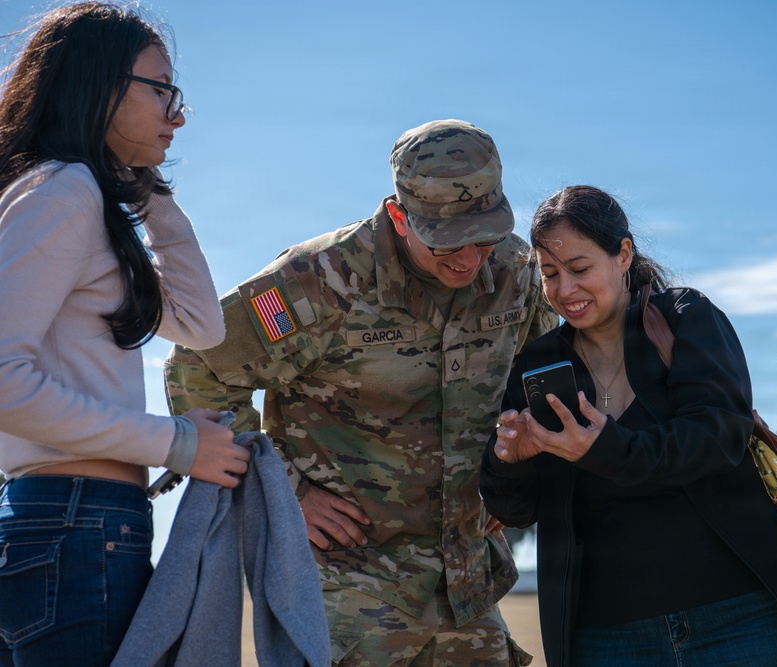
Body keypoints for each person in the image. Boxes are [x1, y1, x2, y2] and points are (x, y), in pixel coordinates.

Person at [163, 119, 557, 665]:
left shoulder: (517, 270)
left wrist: (518, 475)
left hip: (466, 586)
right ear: (399, 216)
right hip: (345, 587)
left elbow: (547, 375)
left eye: (484, 236)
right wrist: (283, 493)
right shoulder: (320, 281)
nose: (469, 258)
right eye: (447, 244)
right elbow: (197, 367)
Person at [0, 3, 250, 665]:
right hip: (73, 524)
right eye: (162, 88)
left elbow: (200, 323)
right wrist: (175, 442)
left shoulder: (81, 192)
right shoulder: (65, 190)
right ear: (100, 84)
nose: (179, 113)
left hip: (78, 522)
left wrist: (145, 183)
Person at [480, 185, 777, 667]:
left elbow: (718, 439)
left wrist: (602, 449)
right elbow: (517, 511)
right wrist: (508, 461)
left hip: (745, 614)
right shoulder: (538, 363)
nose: (565, 291)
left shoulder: (685, 319)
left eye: (580, 269)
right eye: (550, 274)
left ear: (623, 255)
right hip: (605, 638)